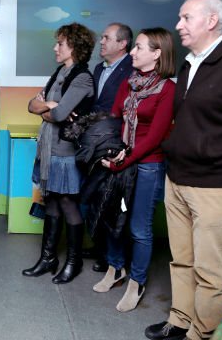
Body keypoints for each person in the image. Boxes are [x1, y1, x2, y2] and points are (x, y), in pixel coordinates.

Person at [146, 0, 222, 340]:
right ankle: (180, 321)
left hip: (214, 183)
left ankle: (203, 333)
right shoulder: (189, 62)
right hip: (178, 177)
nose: (178, 26)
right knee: (181, 259)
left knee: (210, 271)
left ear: (212, 20)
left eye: (185, 18)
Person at [92, 28, 175, 312]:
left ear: (157, 53)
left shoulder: (167, 89)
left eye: (138, 48)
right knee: (114, 220)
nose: (132, 53)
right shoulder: (128, 83)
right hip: (122, 160)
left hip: (148, 166)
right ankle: (116, 269)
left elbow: (155, 138)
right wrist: (111, 151)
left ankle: (137, 281)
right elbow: (115, 119)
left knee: (139, 229)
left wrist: (122, 161)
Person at [22, 22, 96, 284]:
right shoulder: (59, 72)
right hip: (48, 148)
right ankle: (48, 258)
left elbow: (60, 114)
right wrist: (49, 105)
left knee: (68, 203)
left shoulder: (83, 77)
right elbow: (31, 104)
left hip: (65, 151)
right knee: (51, 200)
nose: (55, 47)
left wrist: (50, 107)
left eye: (60, 43)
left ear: (74, 47)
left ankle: (73, 263)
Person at [83, 22, 134, 273]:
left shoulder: (133, 69)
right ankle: (99, 247)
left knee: (109, 200)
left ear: (122, 44)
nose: (101, 42)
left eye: (106, 38)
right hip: (94, 142)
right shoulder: (97, 68)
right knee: (94, 198)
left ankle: (110, 256)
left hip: (115, 146)